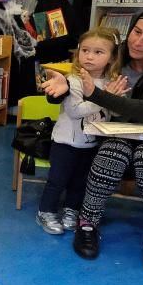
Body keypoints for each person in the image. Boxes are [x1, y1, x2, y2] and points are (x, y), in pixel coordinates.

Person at [41, 5, 143, 272]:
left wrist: (95, 94)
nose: (138, 42)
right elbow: (82, 70)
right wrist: (63, 84)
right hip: (118, 134)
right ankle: (87, 224)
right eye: (137, 31)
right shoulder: (118, 55)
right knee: (111, 153)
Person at [35, 27, 126, 234]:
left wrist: (114, 100)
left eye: (98, 52)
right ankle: (45, 211)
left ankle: (71, 210)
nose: (89, 57)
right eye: (85, 50)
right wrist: (104, 97)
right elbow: (76, 111)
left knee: (80, 181)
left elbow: (112, 113)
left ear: (112, 58)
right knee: (57, 180)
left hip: (92, 142)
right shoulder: (73, 81)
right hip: (65, 142)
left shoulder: (110, 82)